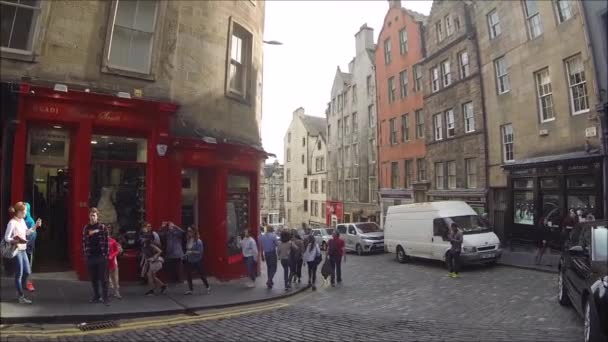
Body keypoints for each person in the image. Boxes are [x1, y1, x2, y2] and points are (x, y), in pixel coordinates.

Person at [4, 202, 40, 304]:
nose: (25, 213)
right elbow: (7, 237)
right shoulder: (12, 223)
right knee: (19, 273)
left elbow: (27, 232)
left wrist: (35, 226)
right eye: (24, 212)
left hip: (23, 249)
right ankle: (21, 296)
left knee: (27, 271)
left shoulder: (22, 221)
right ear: (19, 212)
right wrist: (14, 240)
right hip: (16, 250)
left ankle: (20, 287)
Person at [82, 207, 110, 305]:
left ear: (97, 217)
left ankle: (105, 298)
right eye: (91, 215)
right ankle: (96, 296)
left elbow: (107, 242)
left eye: (94, 215)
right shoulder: (86, 228)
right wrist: (86, 255)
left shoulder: (102, 227)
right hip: (91, 256)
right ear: (89, 216)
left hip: (101, 256)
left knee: (103, 278)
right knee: (93, 278)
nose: (92, 217)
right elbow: (84, 242)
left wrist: (106, 255)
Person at [183, 227, 210, 295]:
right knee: (188, 275)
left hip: (197, 261)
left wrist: (192, 252)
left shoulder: (198, 241)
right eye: (188, 231)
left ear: (194, 232)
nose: (188, 232)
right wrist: (185, 255)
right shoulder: (189, 240)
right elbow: (187, 249)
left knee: (201, 275)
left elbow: (200, 252)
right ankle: (190, 289)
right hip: (189, 260)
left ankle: (207, 287)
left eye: (190, 231)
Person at [23, 202, 37, 293]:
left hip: (27, 248)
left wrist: (27, 245)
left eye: (24, 209)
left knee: (28, 268)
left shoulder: (30, 221)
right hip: (19, 248)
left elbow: (33, 235)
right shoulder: (19, 219)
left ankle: (28, 283)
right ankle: (22, 283)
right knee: (21, 268)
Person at [107, 224, 122, 299]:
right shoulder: (102, 239)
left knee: (115, 277)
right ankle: (106, 292)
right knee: (107, 278)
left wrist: (112, 255)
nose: (108, 229)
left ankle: (116, 292)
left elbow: (119, 250)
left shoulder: (114, 239)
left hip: (113, 260)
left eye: (109, 228)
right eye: (107, 228)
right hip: (105, 261)